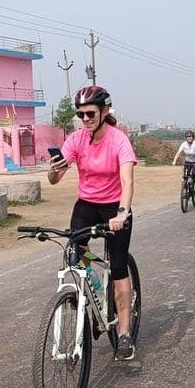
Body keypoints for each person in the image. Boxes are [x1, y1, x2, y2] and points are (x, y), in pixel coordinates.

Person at [47, 85, 139, 360]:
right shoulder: (76, 140)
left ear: (104, 111)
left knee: (120, 268)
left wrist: (122, 213)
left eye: (90, 113)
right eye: (80, 114)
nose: (85, 119)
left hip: (114, 207)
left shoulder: (118, 140)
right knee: (74, 253)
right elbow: (55, 180)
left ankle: (123, 333)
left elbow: (127, 181)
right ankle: (96, 291)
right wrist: (53, 170)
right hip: (86, 205)